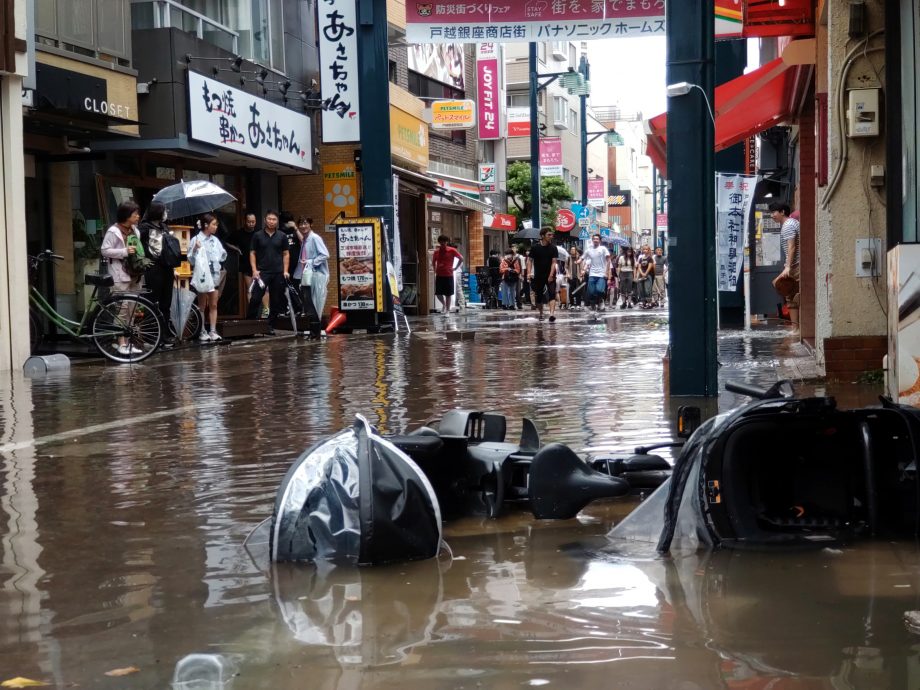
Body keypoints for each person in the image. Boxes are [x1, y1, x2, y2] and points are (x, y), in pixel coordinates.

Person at [101, 201, 143, 355]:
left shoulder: (135, 231)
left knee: (132, 308)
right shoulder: (113, 231)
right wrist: (124, 251)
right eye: (135, 214)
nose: (138, 216)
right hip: (119, 274)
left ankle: (129, 341)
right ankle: (120, 343)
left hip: (134, 274)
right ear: (126, 215)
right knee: (122, 308)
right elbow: (105, 250)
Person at [138, 201, 176, 345]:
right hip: (153, 268)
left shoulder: (164, 227)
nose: (166, 213)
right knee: (152, 301)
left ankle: (165, 333)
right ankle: (152, 335)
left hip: (167, 268)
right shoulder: (143, 228)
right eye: (164, 210)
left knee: (166, 302)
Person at [247, 210, 290, 335]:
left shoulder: (282, 236)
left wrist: (286, 271)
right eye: (269, 219)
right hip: (262, 272)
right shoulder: (257, 235)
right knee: (255, 298)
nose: (271, 221)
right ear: (265, 220)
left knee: (276, 301)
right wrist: (254, 270)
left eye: (274, 219)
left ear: (277, 222)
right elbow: (252, 253)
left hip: (278, 272)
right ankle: (250, 325)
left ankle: (270, 326)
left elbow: (286, 254)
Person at [188, 214, 227, 342]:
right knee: (202, 304)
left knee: (214, 304)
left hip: (214, 274)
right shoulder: (196, 239)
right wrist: (195, 249)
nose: (216, 227)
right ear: (206, 225)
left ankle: (213, 330)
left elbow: (223, 255)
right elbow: (191, 259)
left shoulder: (215, 240)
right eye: (214, 224)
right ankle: (202, 330)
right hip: (203, 275)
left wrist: (216, 261)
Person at [294, 216, 330, 338]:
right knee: (309, 304)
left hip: (316, 274)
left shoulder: (315, 238)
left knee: (314, 303)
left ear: (311, 224)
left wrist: (311, 261)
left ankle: (316, 333)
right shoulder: (305, 239)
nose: (303, 226)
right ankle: (314, 333)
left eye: (306, 223)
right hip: (308, 274)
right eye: (301, 224)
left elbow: (325, 254)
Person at [771, 201, 801, 320]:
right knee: (790, 293)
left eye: (774, 212)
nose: (772, 215)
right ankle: (796, 328)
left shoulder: (788, 225)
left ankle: (796, 329)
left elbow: (791, 247)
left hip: (796, 265)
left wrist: (788, 267)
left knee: (790, 293)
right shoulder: (792, 223)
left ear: (783, 212)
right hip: (796, 263)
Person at [528, 227, 559, 323]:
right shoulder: (535, 247)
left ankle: (552, 314)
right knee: (539, 296)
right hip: (538, 275)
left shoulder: (553, 248)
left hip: (550, 275)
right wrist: (528, 273)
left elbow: (554, 262)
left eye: (551, 235)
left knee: (552, 293)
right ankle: (541, 313)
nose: (551, 237)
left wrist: (551, 275)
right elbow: (529, 261)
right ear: (542, 236)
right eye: (548, 235)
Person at [579, 234, 611, 312]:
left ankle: (600, 300)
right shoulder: (589, 250)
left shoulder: (603, 249)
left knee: (599, 290)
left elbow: (608, 260)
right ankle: (594, 303)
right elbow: (582, 258)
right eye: (594, 239)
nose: (595, 240)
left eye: (597, 239)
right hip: (592, 274)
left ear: (599, 240)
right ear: (592, 240)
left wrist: (607, 273)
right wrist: (580, 264)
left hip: (601, 274)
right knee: (591, 291)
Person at [432, 235, 463, 314]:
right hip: (439, 274)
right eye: (441, 241)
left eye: (445, 241)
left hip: (448, 275)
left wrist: (455, 268)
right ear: (439, 242)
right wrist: (435, 269)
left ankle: (448, 311)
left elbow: (461, 258)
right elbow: (433, 262)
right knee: (438, 293)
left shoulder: (452, 250)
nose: (443, 243)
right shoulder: (436, 252)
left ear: (447, 242)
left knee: (448, 294)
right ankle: (444, 305)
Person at [636, 244, 655, 308]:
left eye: (646, 249)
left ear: (649, 250)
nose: (645, 250)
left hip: (648, 275)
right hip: (641, 276)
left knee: (647, 290)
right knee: (641, 290)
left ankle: (649, 302)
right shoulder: (641, 258)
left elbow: (650, 267)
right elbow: (639, 267)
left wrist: (645, 274)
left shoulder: (650, 258)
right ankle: (643, 302)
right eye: (644, 249)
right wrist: (641, 274)